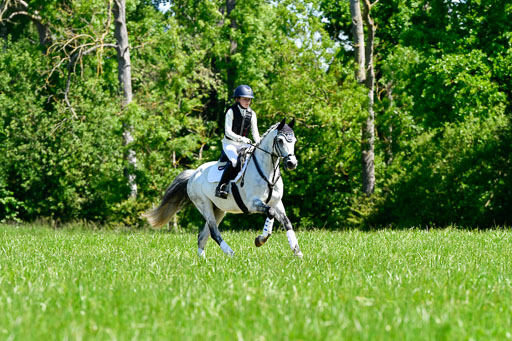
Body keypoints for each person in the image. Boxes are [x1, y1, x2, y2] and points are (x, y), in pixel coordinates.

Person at [215, 84, 261, 199]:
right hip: (229, 143)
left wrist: (259, 144)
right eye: (245, 99)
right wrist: (241, 139)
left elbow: (255, 133)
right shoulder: (231, 111)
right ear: (237, 99)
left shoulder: (252, 114)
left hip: (244, 145)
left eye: (249, 99)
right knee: (235, 162)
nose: (248, 102)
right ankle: (221, 187)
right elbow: (228, 132)